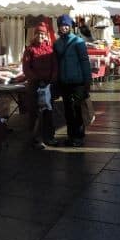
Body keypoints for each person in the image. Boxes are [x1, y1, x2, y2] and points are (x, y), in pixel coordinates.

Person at [54, 14, 92, 147]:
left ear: (70, 27)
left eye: (66, 25)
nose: (64, 27)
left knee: (77, 109)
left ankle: (79, 137)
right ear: (58, 27)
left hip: (78, 81)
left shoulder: (78, 41)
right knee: (68, 110)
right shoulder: (57, 43)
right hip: (64, 81)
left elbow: (84, 61)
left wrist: (87, 81)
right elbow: (57, 63)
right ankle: (71, 136)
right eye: (61, 25)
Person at [22, 21, 58, 149]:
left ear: (46, 35)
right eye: (38, 34)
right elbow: (26, 68)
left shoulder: (50, 49)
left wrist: (51, 79)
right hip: (35, 86)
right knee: (35, 112)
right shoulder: (29, 50)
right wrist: (36, 79)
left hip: (48, 85)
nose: (40, 37)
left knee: (48, 111)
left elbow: (55, 66)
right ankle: (35, 138)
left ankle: (49, 137)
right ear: (34, 35)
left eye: (42, 34)